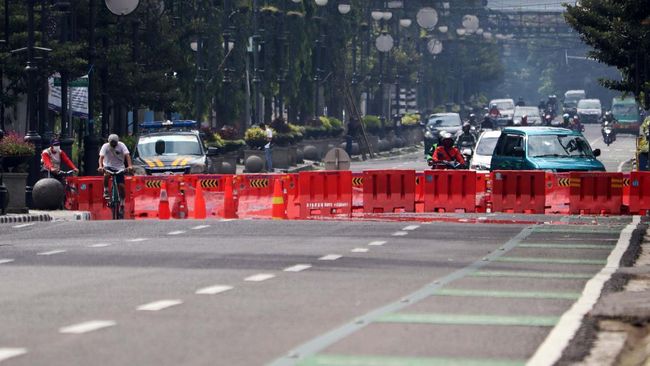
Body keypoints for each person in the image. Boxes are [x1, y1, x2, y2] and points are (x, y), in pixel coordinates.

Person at [98, 134, 133, 202]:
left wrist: (130, 166)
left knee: (121, 186)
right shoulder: (105, 146)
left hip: (119, 167)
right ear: (109, 141)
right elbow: (101, 157)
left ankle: (122, 203)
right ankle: (106, 190)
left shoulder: (121, 145)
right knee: (106, 175)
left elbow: (127, 155)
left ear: (117, 141)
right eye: (112, 142)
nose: (113, 144)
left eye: (115, 142)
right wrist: (100, 166)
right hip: (108, 166)